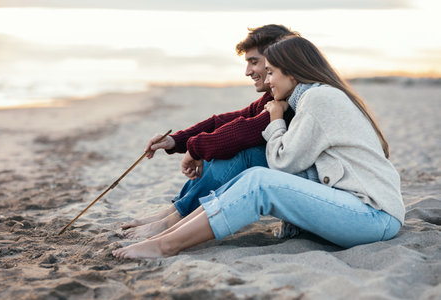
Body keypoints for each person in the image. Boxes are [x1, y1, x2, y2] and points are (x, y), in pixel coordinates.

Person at [112, 35, 405, 259]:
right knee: (248, 177)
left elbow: (283, 162)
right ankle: (169, 233)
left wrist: (275, 119)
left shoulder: (317, 100)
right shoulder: (311, 97)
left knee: (260, 182)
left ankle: (166, 244)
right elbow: (234, 121)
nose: (267, 80)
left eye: (272, 72)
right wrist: (180, 140)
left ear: (292, 72)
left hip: (373, 216)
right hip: (361, 209)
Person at [121, 25, 300, 239]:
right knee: (219, 144)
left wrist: (196, 149)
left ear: (279, 57)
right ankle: (175, 211)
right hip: (288, 176)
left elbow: (242, 132)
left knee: (237, 151)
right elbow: (225, 121)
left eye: (254, 62)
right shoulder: (274, 97)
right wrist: (175, 140)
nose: (247, 71)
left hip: (304, 187)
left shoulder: (289, 100)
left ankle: (175, 218)